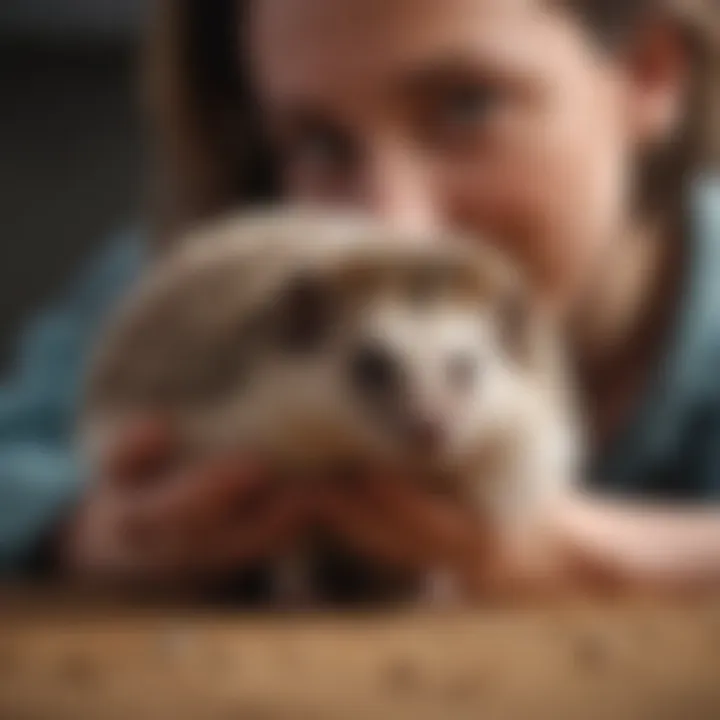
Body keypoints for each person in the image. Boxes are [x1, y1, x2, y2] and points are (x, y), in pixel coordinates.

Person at [2, 0, 720, 598]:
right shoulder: (200, 283)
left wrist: (593, 556)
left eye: (467, 106)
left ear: (648, 72)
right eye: (318, 143)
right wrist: (82, 532)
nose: (391, 226)